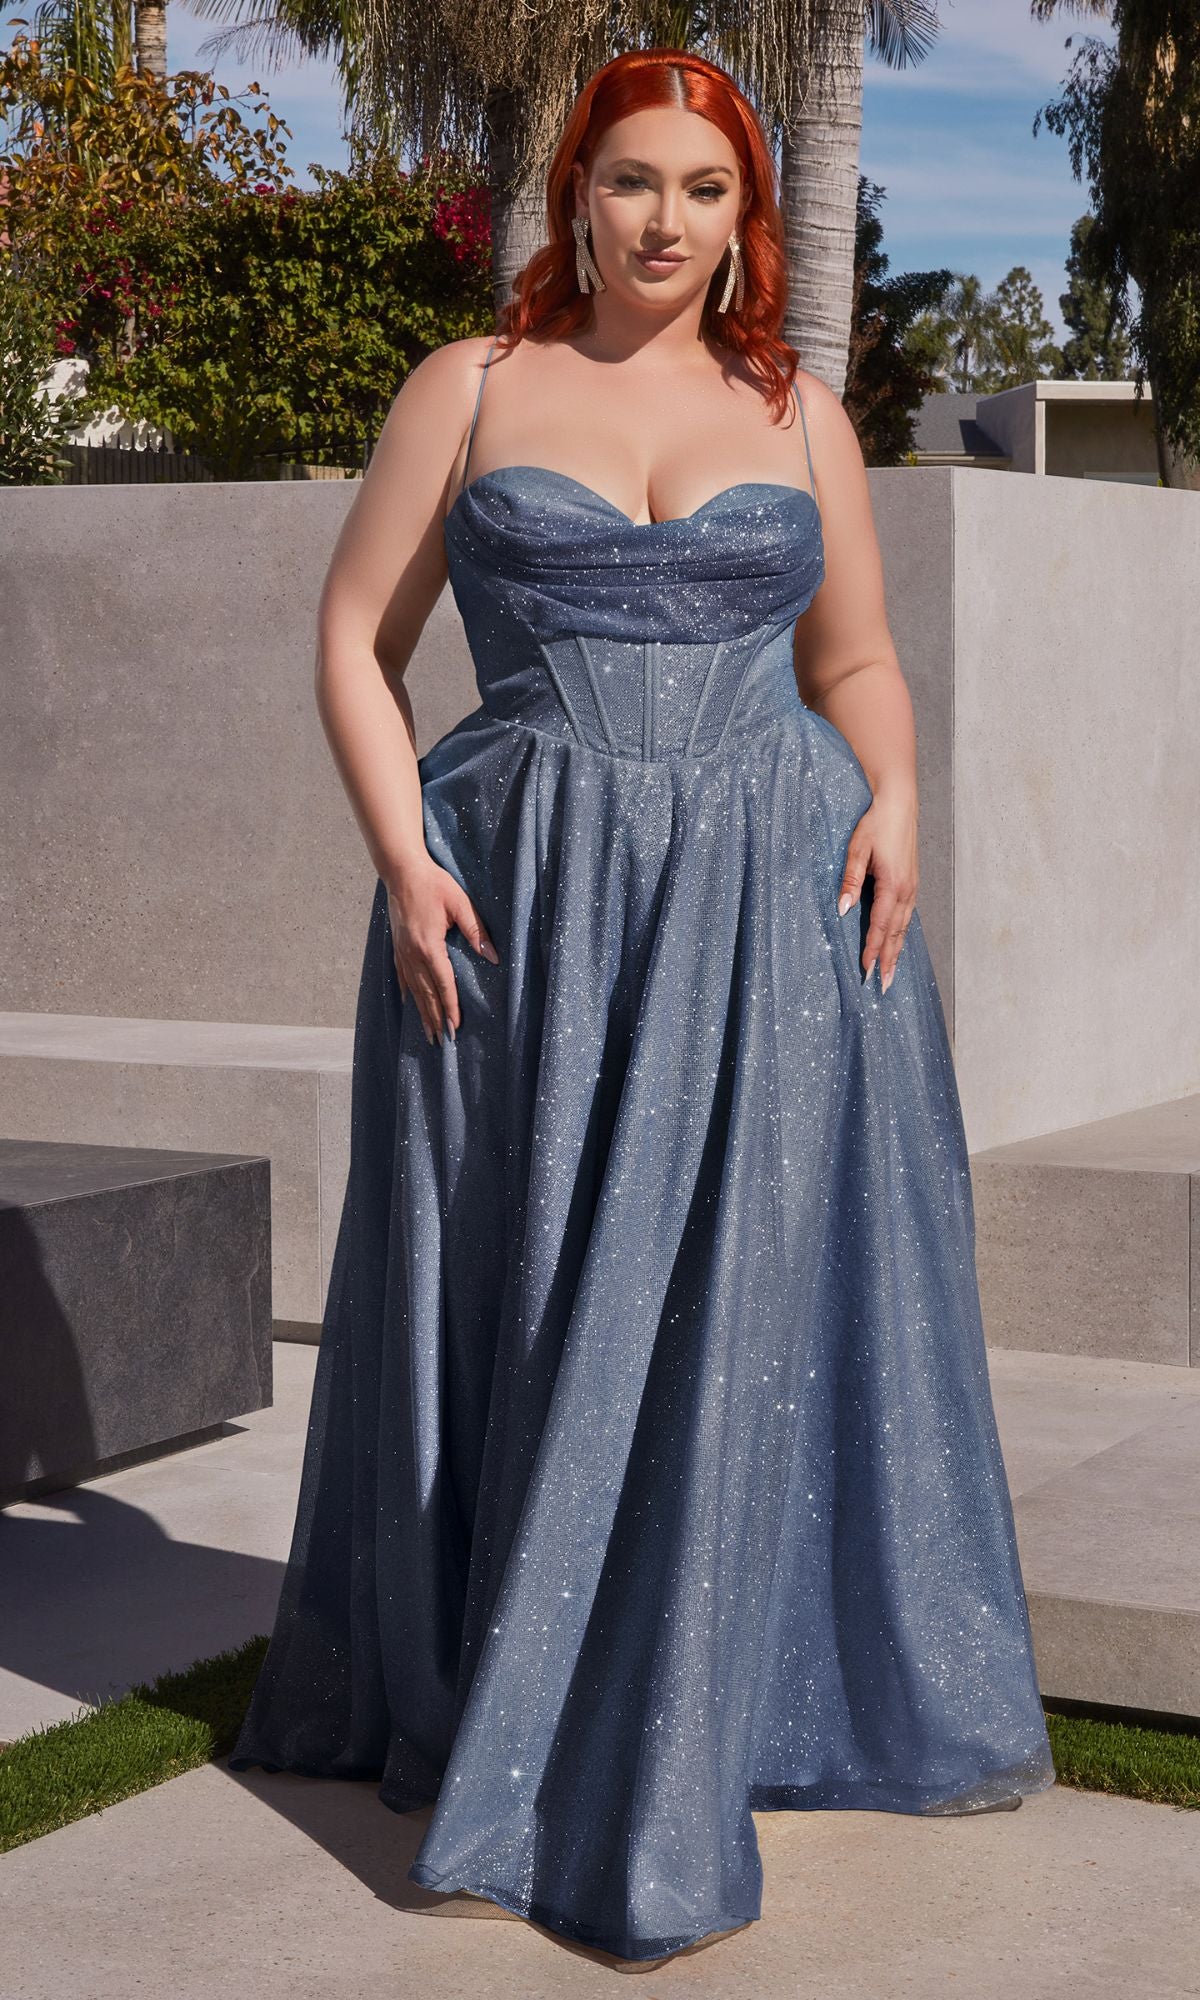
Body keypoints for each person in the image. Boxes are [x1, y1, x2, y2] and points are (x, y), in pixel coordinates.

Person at [227, 45, 1056, 1968]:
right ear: (572, 197)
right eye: (629, 181)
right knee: (535, 1283)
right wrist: (399, 856)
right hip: (521, 909)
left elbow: (851, 660)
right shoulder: (475, 389)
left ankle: (724, 1695)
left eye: (702, 187)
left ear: (745, 215)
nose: (665, 220)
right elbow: (357, 636)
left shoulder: (800, 409)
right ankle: (517, 1676)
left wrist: (904, 802)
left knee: (746, 1304)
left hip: (776, 913)